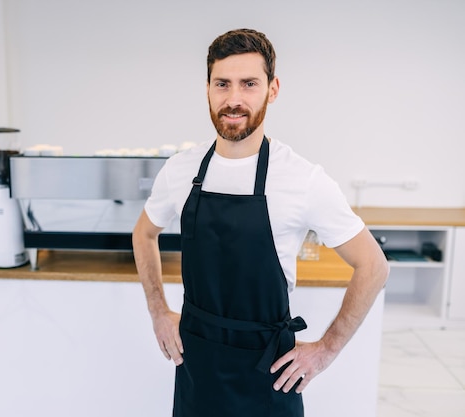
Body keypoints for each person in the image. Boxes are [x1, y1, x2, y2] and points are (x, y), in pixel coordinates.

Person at [132, 28, 389, 417]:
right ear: (207, 88)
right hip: (197, 368)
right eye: (222, 84)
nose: (234, 99)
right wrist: (157, 311)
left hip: (267, 376)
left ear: (272, 89)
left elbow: (374, 266)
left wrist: (326, 349)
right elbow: (144, 233)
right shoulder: (180, 170)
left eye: (249, 84)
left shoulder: (303, 179)